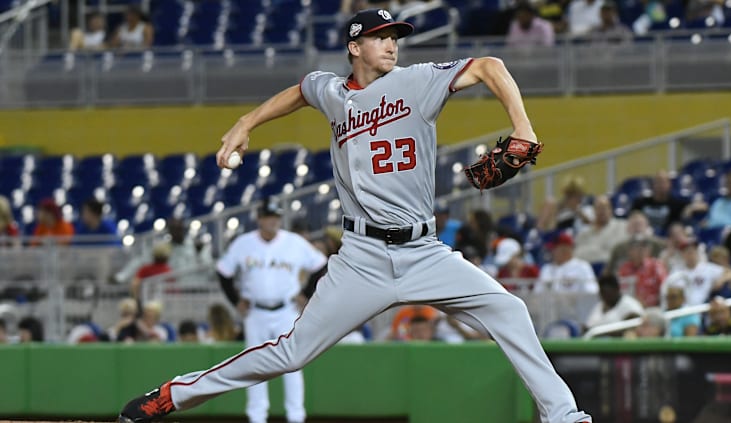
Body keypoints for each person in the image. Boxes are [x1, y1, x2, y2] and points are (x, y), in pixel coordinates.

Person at [118, 9, 592, 423]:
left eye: (395, 36)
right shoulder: (331, 91)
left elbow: (491, 66)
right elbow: (301, 91)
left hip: (424, 252)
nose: (391, 43)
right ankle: (173, 395)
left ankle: (565, 417)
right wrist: (245, 124)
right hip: (362, 257)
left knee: (509, 309)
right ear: (354, 47)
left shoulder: (417, 81)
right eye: (381, 36)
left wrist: (522, 127)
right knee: (291, 353)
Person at [215, 198, 328, 423]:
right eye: (268, 217)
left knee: (293, 364)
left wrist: (305, 292)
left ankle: (296, 416)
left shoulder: (294, 242)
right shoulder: (243, 243)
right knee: (255, 365)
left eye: (275, 217)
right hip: (255, 312)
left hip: (286, 310)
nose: (272, 221)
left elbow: (320, 264)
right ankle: (257, 417)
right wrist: (236, 300)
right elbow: (223, 272)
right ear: (259, 218)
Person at [630, 170, 706, 235]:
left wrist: (690, 208)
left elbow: (704, 206)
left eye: (663, 182)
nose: (661, 185)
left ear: (669, 184)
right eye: (658, 182)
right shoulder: (640, 203)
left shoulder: (676, 204)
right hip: (644, 238)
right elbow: (631, 218)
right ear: (653, 184)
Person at [573, 195, 628, 266]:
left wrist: (591, 251)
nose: (602, 211)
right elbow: (576, 255)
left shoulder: (622, 226)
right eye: (598, 208)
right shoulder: (583, 234)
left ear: (610, 210)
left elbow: (618, 252)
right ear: (594, 211)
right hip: (587, 270)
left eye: (604, 208)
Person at [617, 236, 668, 307]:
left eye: (644, 247)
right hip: (631, 309)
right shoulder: (624, 269)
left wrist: (648, 303)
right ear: (629, 251)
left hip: (654, 308)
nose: (641, 250)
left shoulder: (655, 265)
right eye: (637, 247)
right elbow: (621, 291)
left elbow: (665, 288)